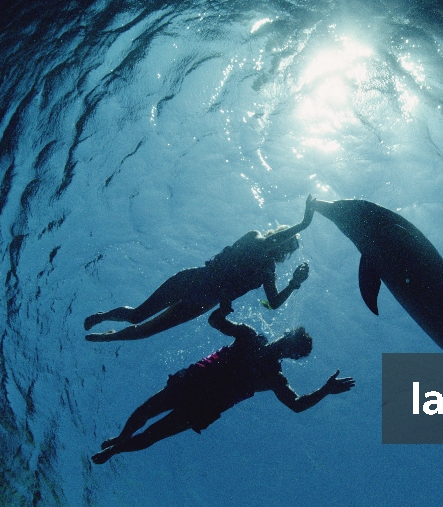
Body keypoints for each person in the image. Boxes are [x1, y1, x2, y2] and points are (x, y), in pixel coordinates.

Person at [92, 301, 354, 463]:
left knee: (153, 434)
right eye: (291, 341)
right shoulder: (250, 337)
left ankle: (116, 450)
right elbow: (216, 321)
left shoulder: (274, 375)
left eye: (292, 350)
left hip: (206, 402)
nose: (287, 347)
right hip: (195, 382)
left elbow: (296, 404)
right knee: (145, 411)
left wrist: (326, 390)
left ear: (292, 355)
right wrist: (223, 308)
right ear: (286, 335)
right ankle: (122, 438)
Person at [84, 195, 317, 342]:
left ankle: (109, 338)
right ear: (279, 235)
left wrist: (295, 283)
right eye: (287, 242)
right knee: (137, 315)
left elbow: (273, 303)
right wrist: (304, 224)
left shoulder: (268, 270)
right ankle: (104, 316)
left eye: (290, 249)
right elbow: (264, 245)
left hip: (203, 303)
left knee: (146, 331)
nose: (286, 249)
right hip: (195, 280)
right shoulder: (255, 238)